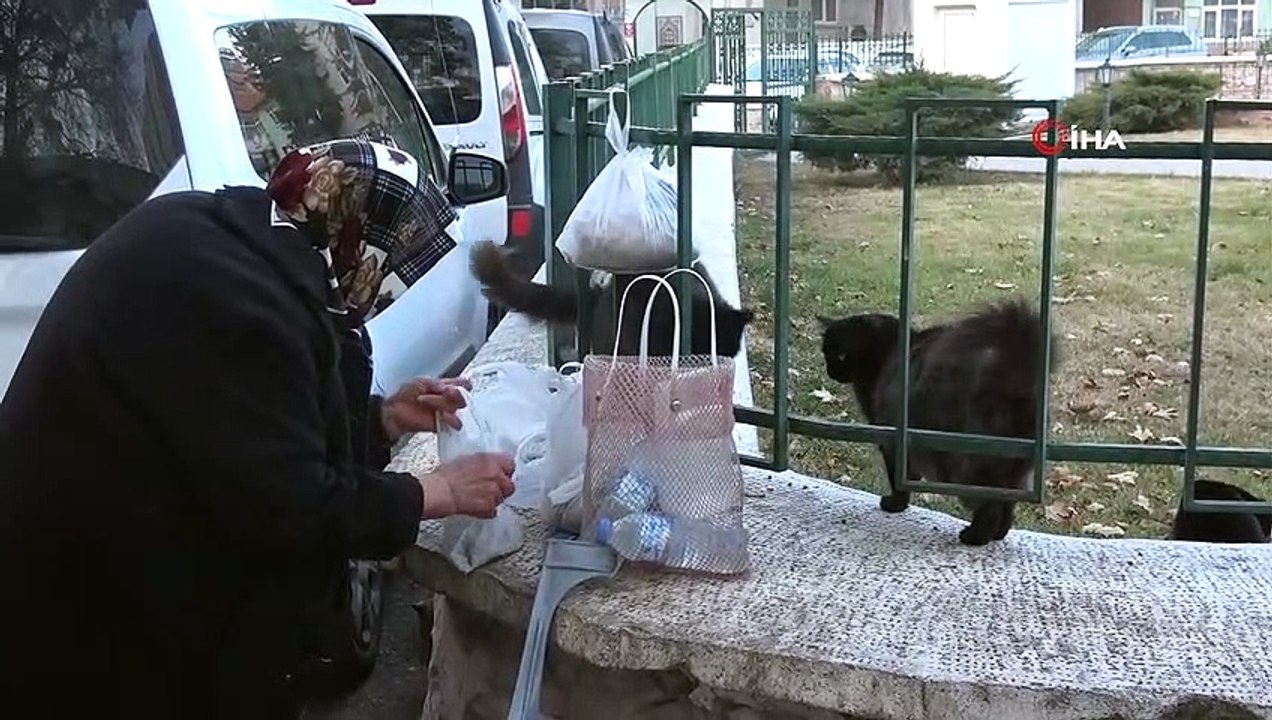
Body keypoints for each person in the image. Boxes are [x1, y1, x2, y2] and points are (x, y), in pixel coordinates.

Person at [0, 139, 515, 719]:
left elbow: (244, 430)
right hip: (92, 613)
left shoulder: (224, 237)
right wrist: (433, 492)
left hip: (93, 563)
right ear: (355, 236)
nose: (383, 282)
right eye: (389, 260)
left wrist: (381, 420)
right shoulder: (241, 306)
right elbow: (290, 506)